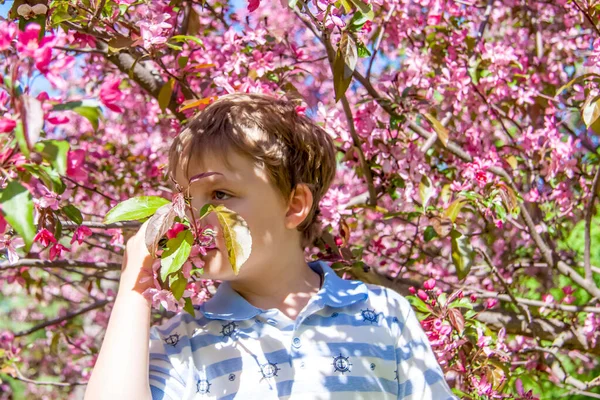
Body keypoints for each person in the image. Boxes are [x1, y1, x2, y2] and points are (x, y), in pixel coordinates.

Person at [84, 93, 456, 400]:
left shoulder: (381, 312)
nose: (192, 220)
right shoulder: (185, 343)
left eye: (219, 194)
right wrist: (136, 280)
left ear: (294, 205)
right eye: (184, 200)